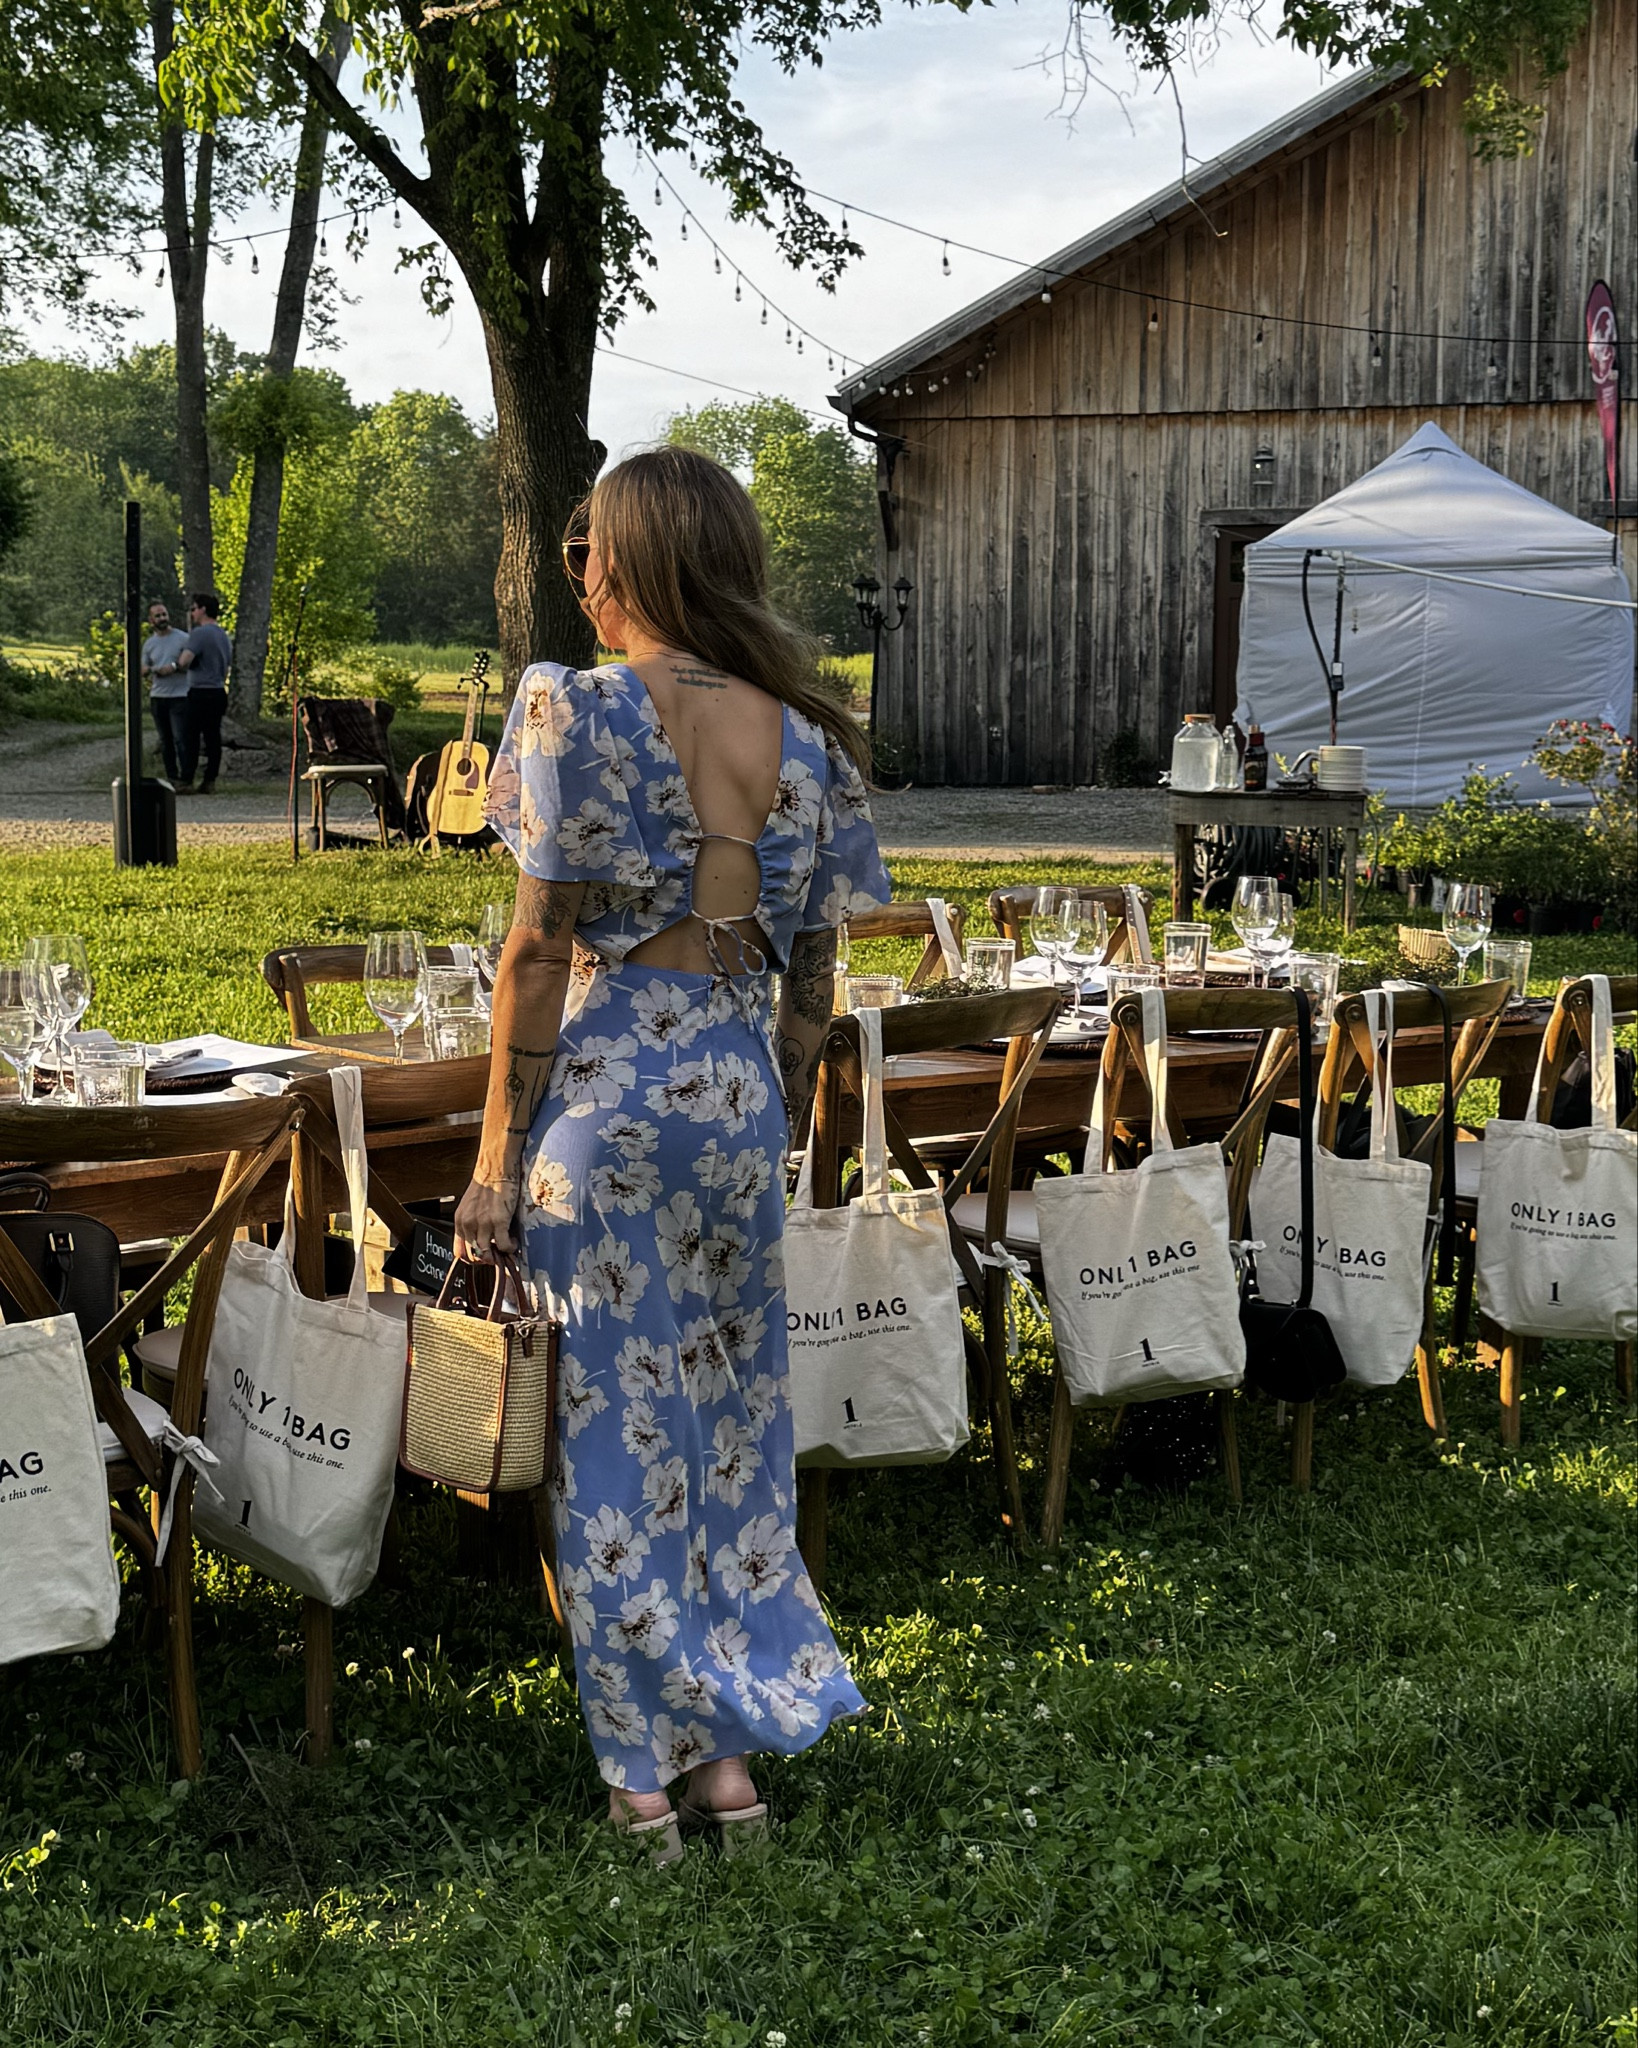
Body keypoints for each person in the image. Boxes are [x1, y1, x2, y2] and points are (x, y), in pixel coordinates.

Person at [454, 446, 890, 1864]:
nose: (578, 567)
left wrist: (488, 1167)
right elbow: (814, 980)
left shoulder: (572, 709)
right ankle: (730, 1768)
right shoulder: (812, 741)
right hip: (734, 1107)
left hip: (608, 1106)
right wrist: (762, 1100)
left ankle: (644, 1777)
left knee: (609, 1442)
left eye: (591, 546)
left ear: (633, 561)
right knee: (727, 1436)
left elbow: (532, 953)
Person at [169, 591, 233, 793]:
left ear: (203, 610)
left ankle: (186, 779)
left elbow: (184, 661)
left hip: (199, 692)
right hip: (218, 691)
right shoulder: (223, 635)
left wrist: (176, 663)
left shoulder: (199, 634)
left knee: (190, 737)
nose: (192, 613)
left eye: (194, 609)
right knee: (213, 737)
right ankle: (209, 780)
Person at [140, 598, 191, 785]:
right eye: (158, 616)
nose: (162, 618)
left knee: (181, 739)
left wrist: (175, 667)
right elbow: (143, 668)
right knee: (165, 740)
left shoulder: (183, 638)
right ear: (151, 620)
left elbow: (190, 663)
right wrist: (150, 670)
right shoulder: (149, 644)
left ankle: (186, 778)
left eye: (164, 614)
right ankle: (171, 777)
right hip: (158, 696)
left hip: (179, 696)